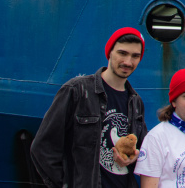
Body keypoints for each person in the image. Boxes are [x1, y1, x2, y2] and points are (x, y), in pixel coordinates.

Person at [31, 27, 148, 187]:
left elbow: (143, 152)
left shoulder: (136, 102)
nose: (128, 62)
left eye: (135, 56)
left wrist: (135, 157)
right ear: (109, 52)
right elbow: (42, 148)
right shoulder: (77, 90)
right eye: (122, 53)